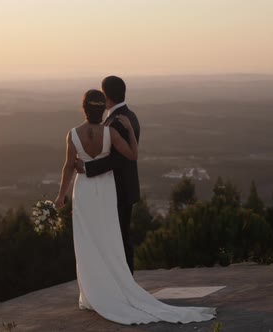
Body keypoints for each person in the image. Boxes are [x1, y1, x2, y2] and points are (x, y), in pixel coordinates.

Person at [54, 88, 216, 325]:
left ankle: (91, 294)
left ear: (84, 109)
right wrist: (129, 130)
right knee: (109, 237)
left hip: (85, 192)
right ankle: (113, 287)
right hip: (106, 190)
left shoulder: (72, 134)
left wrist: (61, 196)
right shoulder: (110, 133)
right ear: (101, 109)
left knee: (87, 240)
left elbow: (68, 166)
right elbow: (132, 155)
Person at [75, 76, 140, 273]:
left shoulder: (116, 122)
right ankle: (125, 283)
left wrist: (87, 168)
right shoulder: (129, 115)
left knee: (118, 239)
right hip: (125, 188)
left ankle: (125, 284)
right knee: (121, 238)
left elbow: (120, 159)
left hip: (118, 189)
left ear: (106, 95)